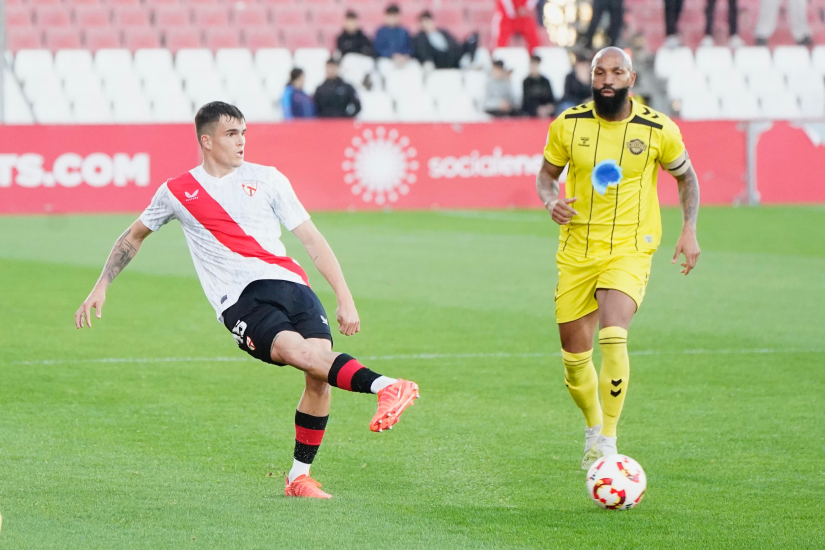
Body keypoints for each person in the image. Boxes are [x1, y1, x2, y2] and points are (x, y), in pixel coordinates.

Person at [74, 102, 420, 499]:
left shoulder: (268, 178)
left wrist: (345, 296)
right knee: (303, 356)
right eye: (231, 134)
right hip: (241, 298)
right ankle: (387, 386)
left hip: (293, 286)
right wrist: (102, 284)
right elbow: (133, 236)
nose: (241, 142)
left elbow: (312, 239)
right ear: (207, 141)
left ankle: (298, 478)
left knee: (318, 377)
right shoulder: (177, 190)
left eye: (243, 133)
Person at [535, 48, 700, 470]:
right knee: (574, 361)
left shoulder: (658, 128)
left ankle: (607, 438)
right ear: (591, 78)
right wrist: (551, 200)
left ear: (631, 77)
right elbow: (546, 176)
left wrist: (689, 228)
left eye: (616, 72)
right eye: (599, 72)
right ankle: (593, 425)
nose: (607, 79)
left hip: (630, 247)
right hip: (577, 250)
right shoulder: (568, 125)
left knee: (613, 334)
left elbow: (686, 177)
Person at [412, 10, 477, 70]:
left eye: (427, 21)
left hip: (453, 54)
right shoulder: (421, 37)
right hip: (440, 58)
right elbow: (422, 52)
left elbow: (454, 43)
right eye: (423, 22)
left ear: (432, 21)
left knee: (473, 38)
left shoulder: (443, 32)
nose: (426, 24)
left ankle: (468, 61)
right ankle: (466, 63)